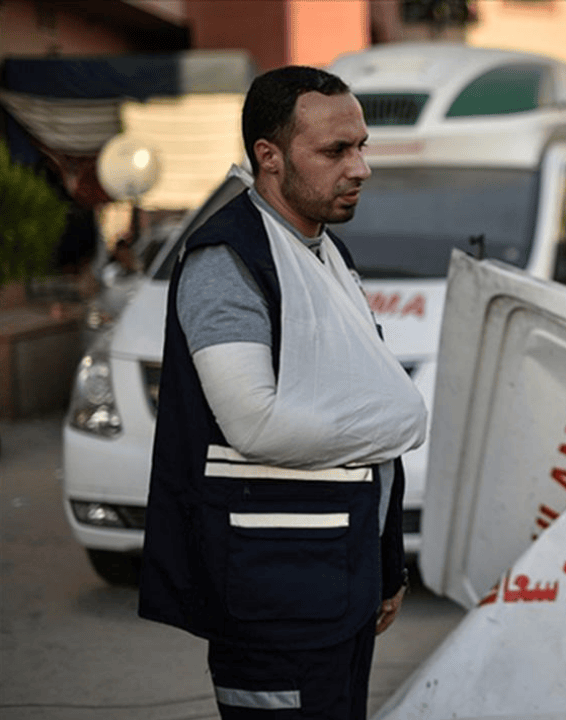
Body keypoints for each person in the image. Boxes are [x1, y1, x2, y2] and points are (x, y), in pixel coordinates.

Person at [139, 66, 428, 720]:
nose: (360, 168)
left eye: (361, 147)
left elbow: (363, 433)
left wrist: (386, 566)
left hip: (339, 582)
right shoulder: (228, 261)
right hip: (272, 593)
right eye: (335, 151)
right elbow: (255, 424)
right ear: (269, 157)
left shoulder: (327, 256)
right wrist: (404, 419)